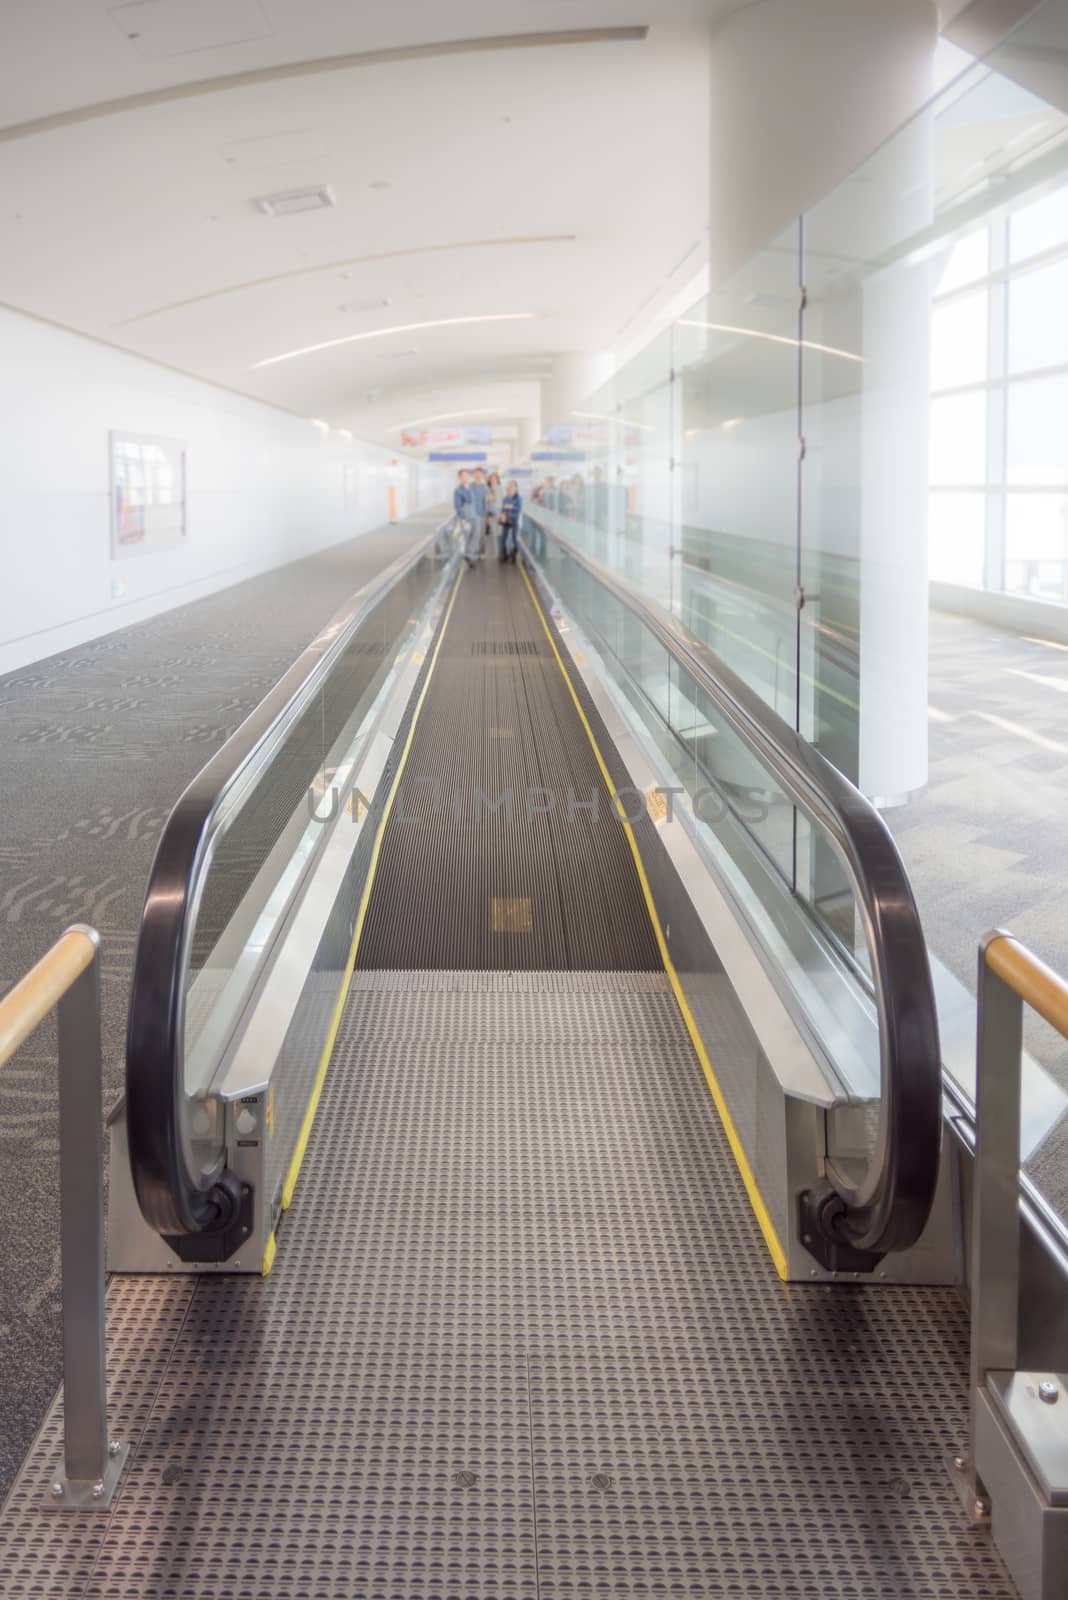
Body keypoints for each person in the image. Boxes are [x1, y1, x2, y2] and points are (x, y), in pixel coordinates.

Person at [454, 468, 480, 567]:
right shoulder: (458, 490)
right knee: (466, 537)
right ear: (460, 478)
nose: (466, 477)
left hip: (475, 516)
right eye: (463, 476)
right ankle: (466, 556)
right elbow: (458, 505)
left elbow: (474, 502)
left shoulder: (471, 488)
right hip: (466, 518)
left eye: (467, 475)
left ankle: (470, 555)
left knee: (476, 536)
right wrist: (462, 518)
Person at [499, 479, 523, 563]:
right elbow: (503, 508)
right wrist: (502, 514)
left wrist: (511, 507)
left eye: (512, 486)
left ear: (516, 488)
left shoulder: (518, 498)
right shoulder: (505, 498)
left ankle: (514, 554)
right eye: (509, 486)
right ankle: (504, 555)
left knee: (514, 539)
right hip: (506, 520)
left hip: (514, 520)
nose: (510, 488)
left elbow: (519, 509)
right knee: (503, 538)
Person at [471, 466, 488, 555]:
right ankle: (473, 552)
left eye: (479, 474)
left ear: (482, 475)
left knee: (482, 534)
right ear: (474, 475)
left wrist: (486, 515)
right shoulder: (470, 486)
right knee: (473, 534)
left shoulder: (484, 487)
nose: (478, 475)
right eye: (476, 474)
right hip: (472, 515)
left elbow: (485, 501)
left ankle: (482, 552)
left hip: (482, 514)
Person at [485, 471, 502, 550]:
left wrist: (491, 497)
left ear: (497, 480)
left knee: (500, 532)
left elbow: (501, 501)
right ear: (489, 480)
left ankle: (501, 550)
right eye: (491, 479)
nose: (493, 480)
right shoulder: (487, 489)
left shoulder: (501, 489)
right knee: (493, 532)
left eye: (495, 479)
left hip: (500, 513)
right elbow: (487, 501)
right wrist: (489, 515)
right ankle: (496, 551)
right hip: (491, 513)